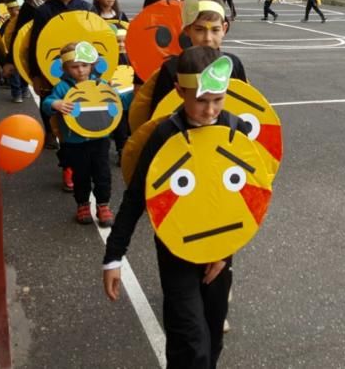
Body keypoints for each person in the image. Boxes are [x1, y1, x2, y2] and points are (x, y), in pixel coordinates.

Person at [104, 46, 246, 369]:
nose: (210, 110)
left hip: (219, 253)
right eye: (201, 100)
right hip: (176, 251)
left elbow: (245, 201)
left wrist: (223, 251)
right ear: (180, 91)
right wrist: (114, 255)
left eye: (218, 100)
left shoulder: (234, 130)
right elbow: (136, 196)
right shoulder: (164, 134)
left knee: (212, 336)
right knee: (190, 338)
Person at [42, 42, 133, 226]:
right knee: (80, 175)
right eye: (74, 67)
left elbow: (119, 101)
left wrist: (136, 92)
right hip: (73, 142)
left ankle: (103, 205)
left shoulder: (101, 84)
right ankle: (83, 204)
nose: (80, 71)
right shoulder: (62, 87)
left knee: (102, 174)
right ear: (65, 68)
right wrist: (55, 104)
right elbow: (47, 103)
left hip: (99, 139)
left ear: (92, 65)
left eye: (84, 65)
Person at [27, 0, 93, 191]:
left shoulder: (86, 7)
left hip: (83, 73)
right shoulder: (44, 10)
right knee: (61, 123)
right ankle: (68, 167)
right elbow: (36, 45)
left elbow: (98, 41)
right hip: (54, 73)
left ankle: (85, 165)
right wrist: (36, 75)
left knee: (82, 116)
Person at [143, 0, 247, 120]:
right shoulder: (172, 68)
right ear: (187, 30)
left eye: (215, 30)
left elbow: (244, 106)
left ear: (224, 29)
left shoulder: (233, 65)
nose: (208, 38)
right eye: (199, 29)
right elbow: (159, 114)